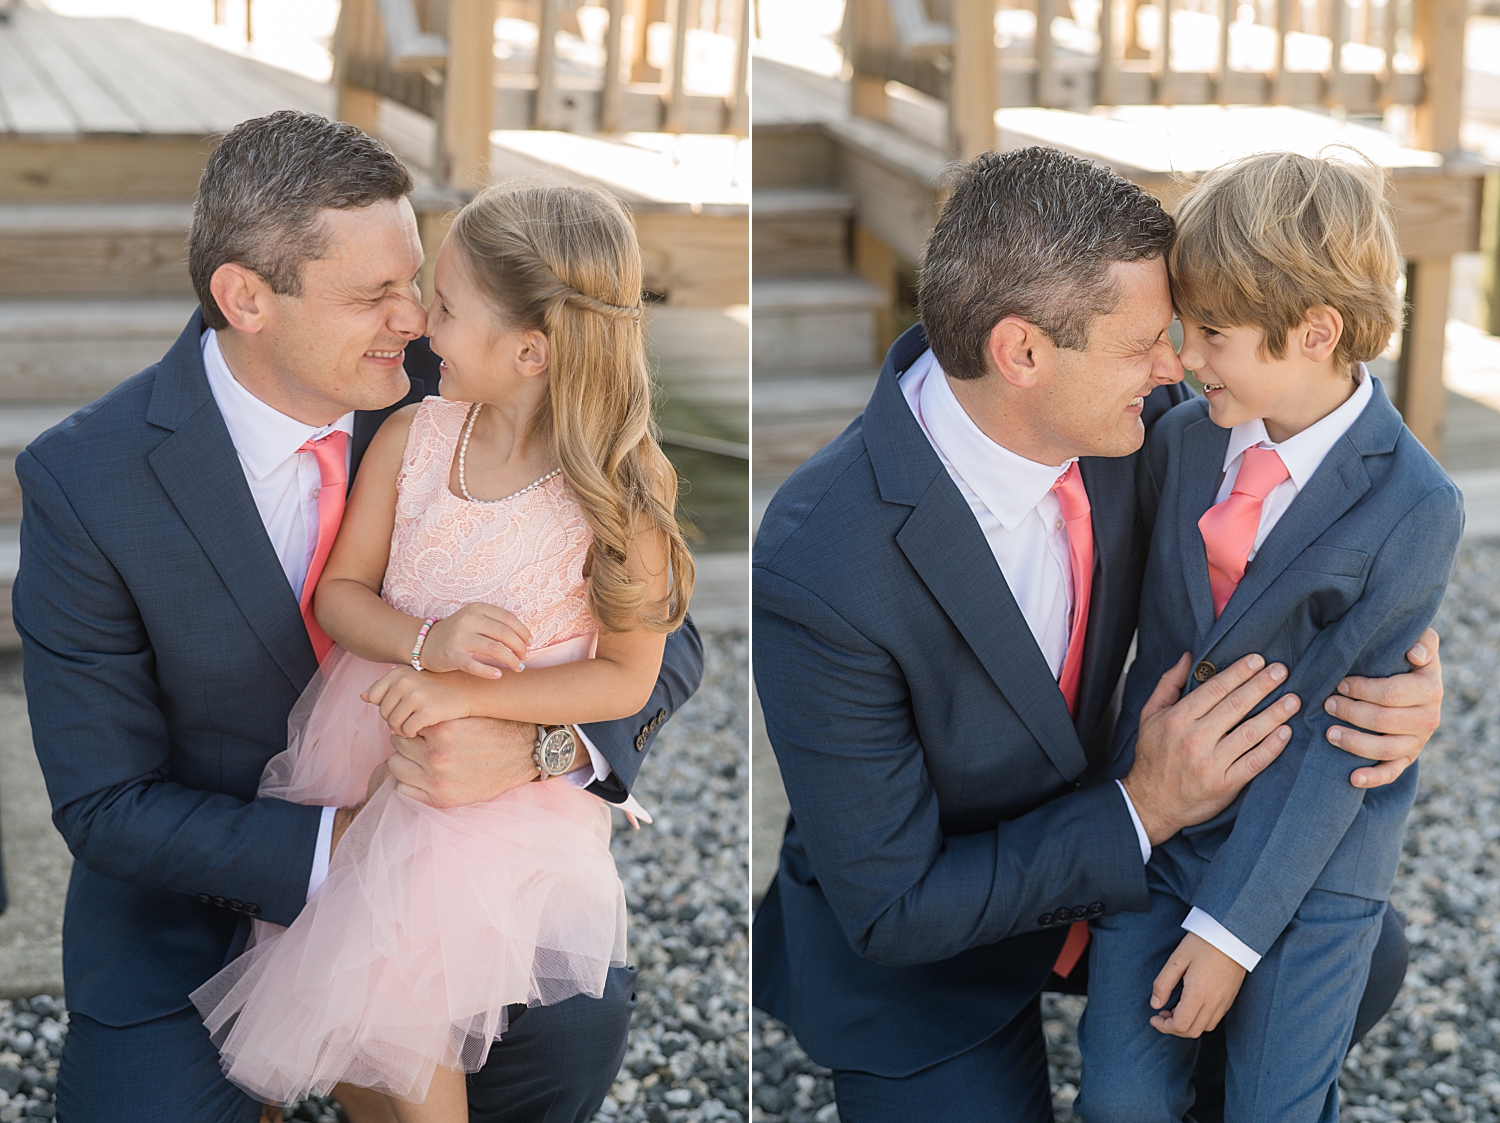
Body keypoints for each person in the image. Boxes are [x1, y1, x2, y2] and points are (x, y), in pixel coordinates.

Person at [13, 111, 703, 1123]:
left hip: (468, 855)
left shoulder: (478, 373)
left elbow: (665, 641)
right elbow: (105, 801)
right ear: (246, 297)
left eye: (418, 282)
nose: (415, 320)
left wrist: (541, 746)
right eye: (375, 295)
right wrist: (345, 841)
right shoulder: (87, 482)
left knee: (575, 1026)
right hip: (203, 897)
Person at [750, 146, 1445, 1122]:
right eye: (1149, 345)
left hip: (1140, 887)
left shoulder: (1151, 423)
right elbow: (895, 904)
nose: (1178, 368)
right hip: (939, 933)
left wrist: (1396, 679)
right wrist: (1140, 808)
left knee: (1361, 952)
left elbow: (1312, 448)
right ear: (1023, 354)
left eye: (1182, 337)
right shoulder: (820, 561)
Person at [191, 182, 695, 1120]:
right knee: (344, 1024)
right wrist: (429, 642)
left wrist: (472, 698)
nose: (422, 325)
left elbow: (629, 673)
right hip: (361, 754)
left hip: (501, 812)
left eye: (449, 308)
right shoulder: (417, 440)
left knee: (411, 1014)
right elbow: (341, 595)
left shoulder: (619, 496)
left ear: (530, 351)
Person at [1073, 152, 1463, 1123]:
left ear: (1315, 333)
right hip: (1158, 833)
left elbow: (1347, 738)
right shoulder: (1180, 436)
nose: (1183, 356)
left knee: (1269, 1108)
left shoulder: (1414, 506)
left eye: (1208, 332)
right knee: (1121, 1102)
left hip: (1311, 858)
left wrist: (1232, 932)